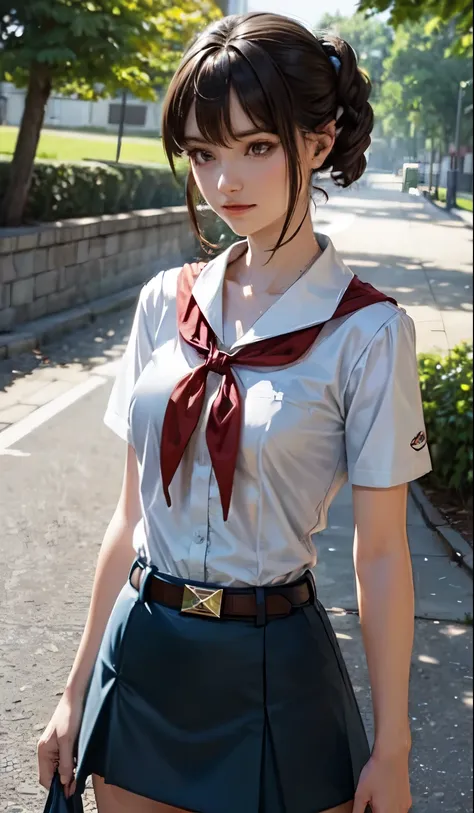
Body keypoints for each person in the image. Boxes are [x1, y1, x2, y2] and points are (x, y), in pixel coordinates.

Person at [37, 12, 432, 813]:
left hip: (276, 667)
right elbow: (129, 516)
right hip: (144, 652)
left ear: (318, 142)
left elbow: (382, 553)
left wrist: (393, 748)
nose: (225, 184)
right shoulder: (164, 304)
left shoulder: (368, 331)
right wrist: (74, 688)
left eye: (256, 147)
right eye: (204, 153)